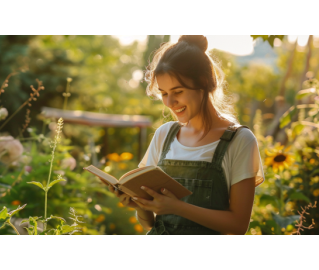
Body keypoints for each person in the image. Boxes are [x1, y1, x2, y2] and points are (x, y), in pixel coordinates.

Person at [107, 35, 264, 235]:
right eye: (164, 93)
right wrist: (140, 205)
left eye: (178, 91)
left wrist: (177, 207)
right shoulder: (164, 134)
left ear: (204, 82)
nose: (169, 102)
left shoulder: (240, 140)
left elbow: (238, 226)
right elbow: (152, 225)